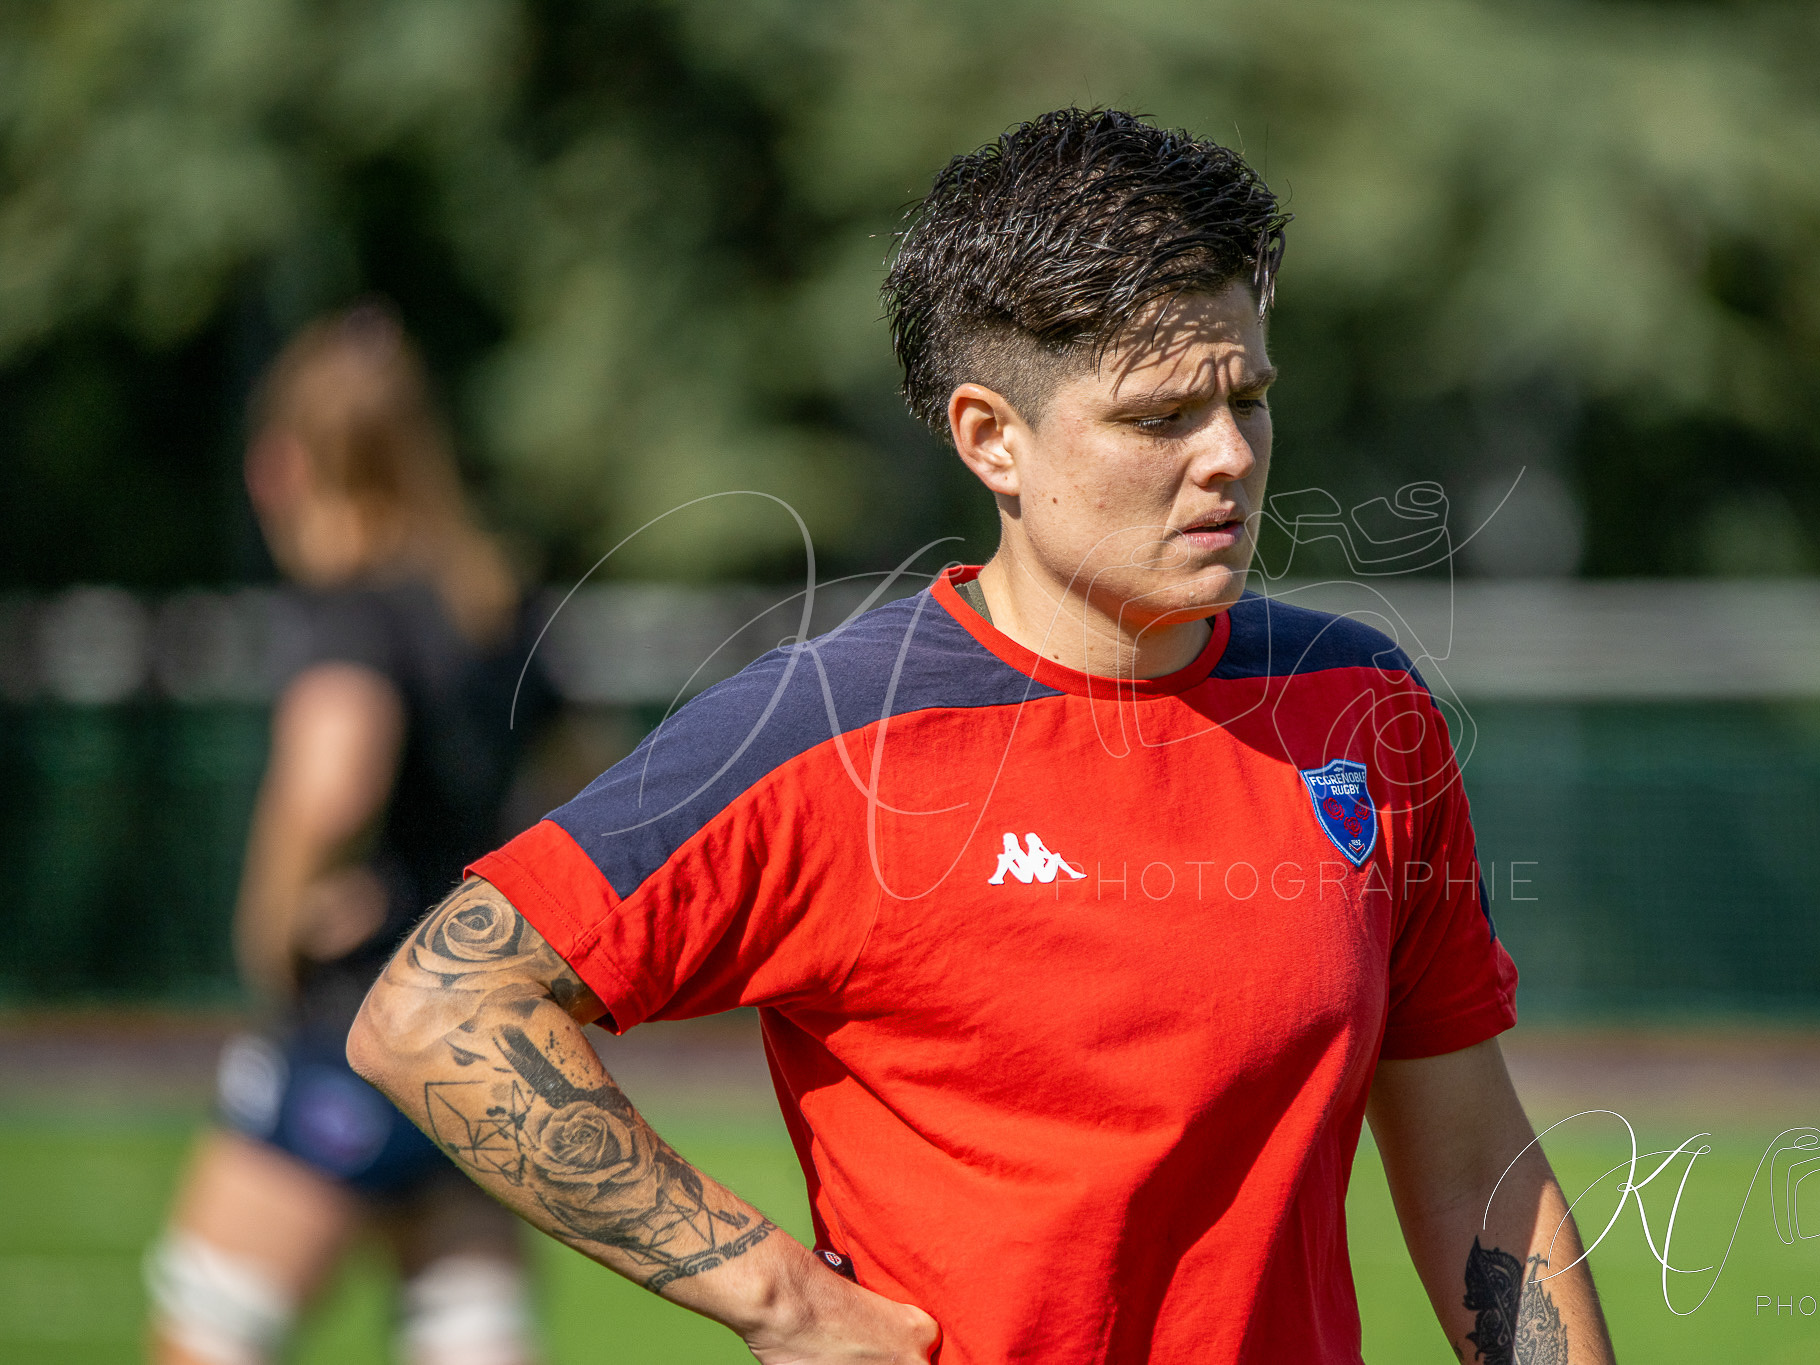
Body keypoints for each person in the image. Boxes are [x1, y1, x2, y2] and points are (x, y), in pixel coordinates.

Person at [348, 109, 1620, 1363]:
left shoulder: (1358, 703)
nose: (1229, 455)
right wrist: (780, 1299)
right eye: (1160, 418)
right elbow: (432, 1009)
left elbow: (1472, 1166)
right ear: (989, 438)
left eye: (1248, 398)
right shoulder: (828, 734)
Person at [148, 304, 552, 1365]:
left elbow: (334, 780)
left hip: (354, 1028)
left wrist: (274, 924)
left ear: (282, 463)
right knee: (467, 1336)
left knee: (205, 1336)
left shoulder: (350, 611)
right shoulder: (496, 605)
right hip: (486, 1039)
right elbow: (584, 781)